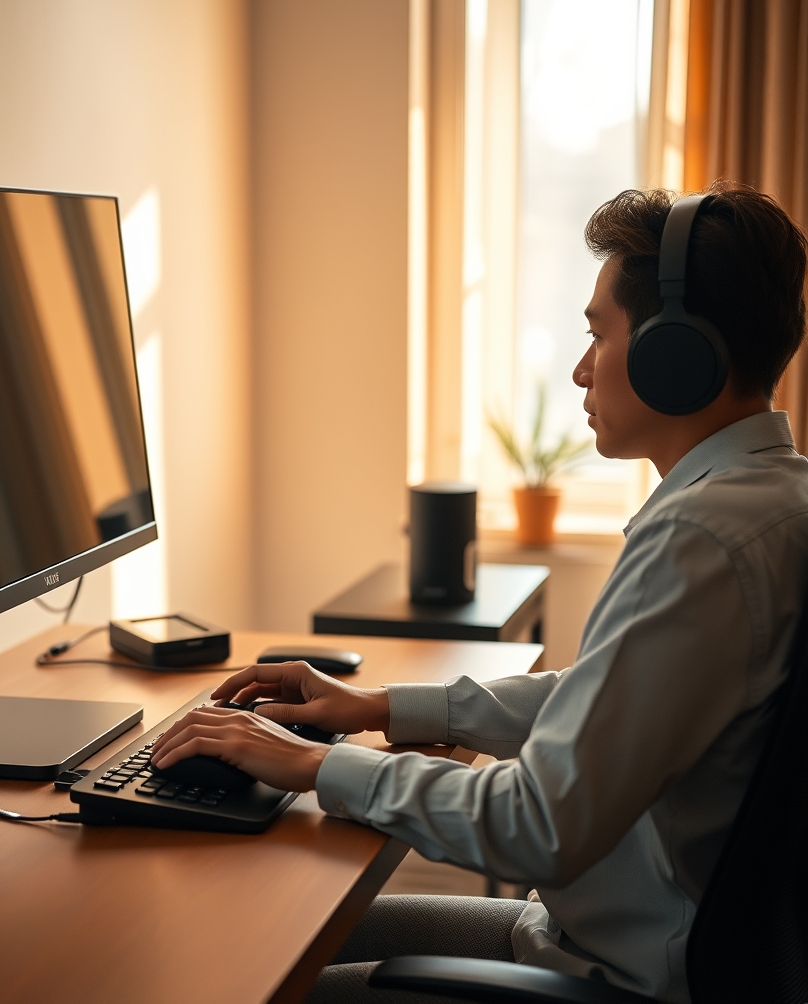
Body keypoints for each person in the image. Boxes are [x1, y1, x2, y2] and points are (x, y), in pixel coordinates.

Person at [151, 182, 808, 1004]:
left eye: (598, 333)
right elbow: (606, 701)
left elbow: (539, 824)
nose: (579, 368)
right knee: (250, 937)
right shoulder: (774, 502)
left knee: (239, 981)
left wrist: (316, 765)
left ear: (674, 354)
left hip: (613, 977)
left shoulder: (702, 539)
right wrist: (381, 707)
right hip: (587, 940)